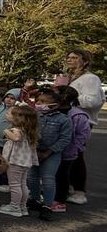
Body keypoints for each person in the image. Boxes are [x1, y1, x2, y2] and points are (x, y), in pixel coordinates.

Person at [62, 49, 102, 205]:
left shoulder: (91, 78)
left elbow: (94, 101)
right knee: (64, 154)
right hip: (67, 118)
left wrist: (70, 97)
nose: (70, 60)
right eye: (69, 57)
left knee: (76, 154)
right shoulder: (70, 77)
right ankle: (67, 186)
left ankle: (80, 191)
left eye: (74, 57)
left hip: (81, 120)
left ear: (84, 61)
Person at [27, 86, 73, 221]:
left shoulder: (64, 120)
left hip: (52, 153)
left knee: (48, 178)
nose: (39, 104)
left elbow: (65, 139)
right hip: (35, 150)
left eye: (43, 102)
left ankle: (47, 205)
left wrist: (48, 152)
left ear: (55, 105)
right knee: (32, 176)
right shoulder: (35, 116)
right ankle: (34, 199)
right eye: (38, 101)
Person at [0, 103, 40, 218]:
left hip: (15, 161)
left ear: (18, 118)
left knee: (14, 185)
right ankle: (22, 206)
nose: (7, 114)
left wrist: (6, 131)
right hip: (24, 162)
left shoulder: (17, 130)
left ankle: (14, 207)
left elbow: (16, 138)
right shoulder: (29, 130)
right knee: (22, 184)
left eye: (9, 113)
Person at [53, 85, 91, 214]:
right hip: (52, 150)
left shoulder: (78, 115)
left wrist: (76, 148)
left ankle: (60, 201)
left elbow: (82, 135)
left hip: (68, 151)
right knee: (51, 174)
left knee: (62, 175)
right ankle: (51, 195)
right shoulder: (51, 110)